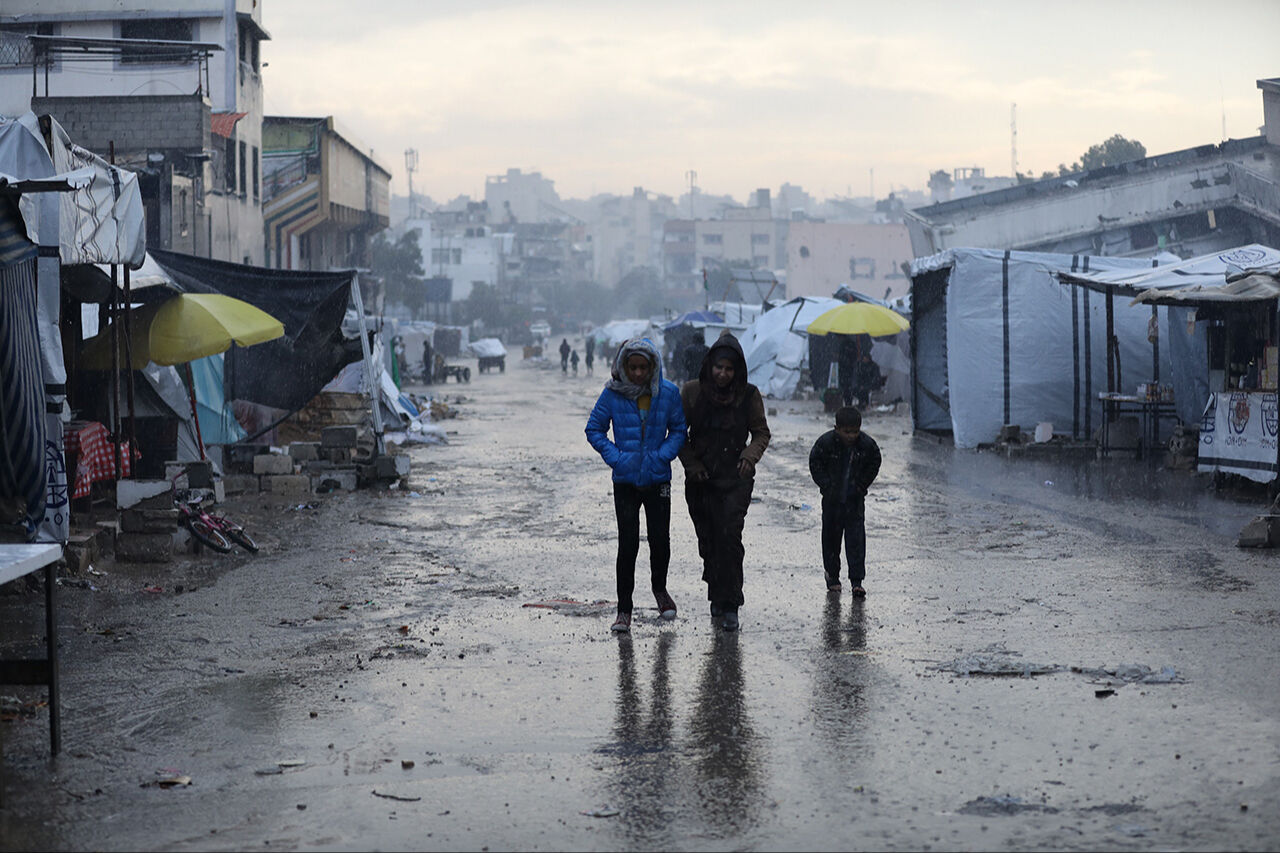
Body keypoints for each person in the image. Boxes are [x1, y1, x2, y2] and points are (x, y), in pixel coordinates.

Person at [586, 338, 687, 633]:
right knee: (627, 544)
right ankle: (624, 610)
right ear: (624, 367)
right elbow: (594, 428)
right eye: (633, 367)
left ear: (653, 366)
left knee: (660, 539)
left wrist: (661, 456)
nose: (639, 373)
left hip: (658, 479)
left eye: (644, 367)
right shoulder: (613, 394)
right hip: (626, 481)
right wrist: (617, 458)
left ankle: (660, 591)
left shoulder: (667, 393)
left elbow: (679, 429)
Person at [678, 330, 770, 631]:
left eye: (729, 369)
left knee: (729, 537)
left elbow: (761, 432)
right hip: (701, 480)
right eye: (719, 367)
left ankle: (730, 603)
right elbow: (678, 434)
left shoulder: (749, 395)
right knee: (709, 541)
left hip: (736, 479)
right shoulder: (691, 392)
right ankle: (716, 589)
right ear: (709, 365)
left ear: (738, 370)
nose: (723, 374)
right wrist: (692, 464)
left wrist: (749, 456)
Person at [809, 406, 881, 597]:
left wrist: (861, 486)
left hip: (854, 502)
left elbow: (875, 461)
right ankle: (832, 576)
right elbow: (815, 463)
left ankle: (857, 580)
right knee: (831, 540)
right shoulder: (826, 443)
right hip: (832, 502)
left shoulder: (866, 445)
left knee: (856, 541)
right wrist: (826, 486)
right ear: (837, 428)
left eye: (855, 432)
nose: (851, 436)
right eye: (847, 432)